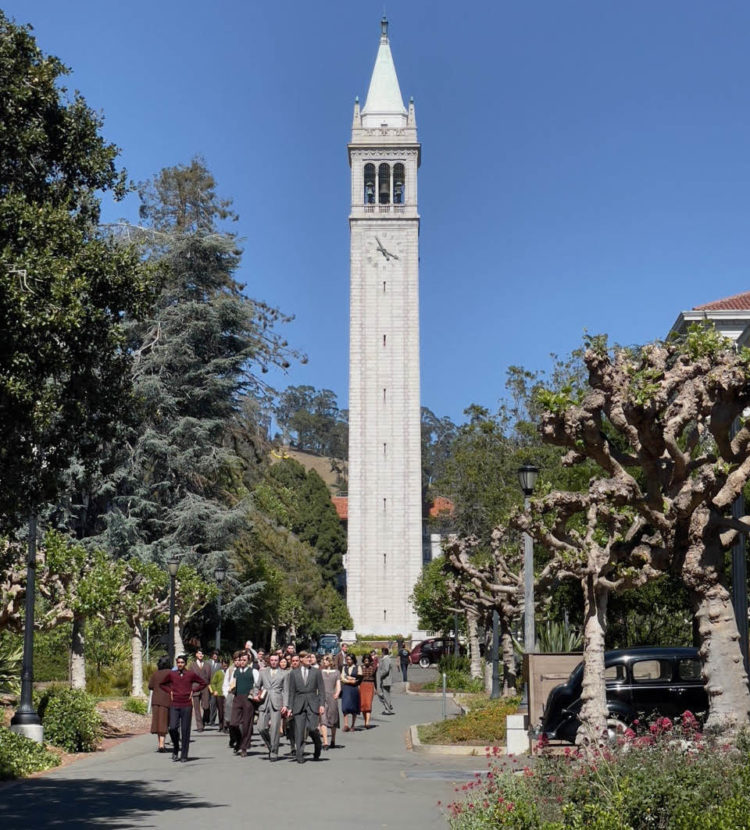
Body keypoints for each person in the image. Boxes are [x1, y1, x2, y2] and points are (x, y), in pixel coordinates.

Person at [160, 654, 208, 762]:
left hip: (186, 705)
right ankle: (176, 747)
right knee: (172, 728)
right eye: (178, 663)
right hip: (175, 704)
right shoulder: (172, 674)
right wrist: (170, 691)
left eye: (182, 662)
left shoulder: (190, 674)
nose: (180, 664)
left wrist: (194, 691)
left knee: (185, 730)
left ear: (185, 663)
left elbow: (203, 683)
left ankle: (184, 755)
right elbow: (162, 684)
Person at [283, 650, 325, 763]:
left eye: (310, 657)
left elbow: (321, 689)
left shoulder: (316, 672)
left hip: (313, 702)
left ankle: (317, 744)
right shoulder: (293, 673)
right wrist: (290, 707)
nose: (310, 659)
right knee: (299, 730)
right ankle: (299, 754)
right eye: (307, 657)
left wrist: (322, 704)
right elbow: (291, 691)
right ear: (301, 659)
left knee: (312, 728)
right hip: (298, 703)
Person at [255, 652, 288, 761]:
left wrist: (285, 705)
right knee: (260, 727)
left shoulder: (284, 673)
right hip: (264, 702)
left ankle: (274, 752)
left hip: (277, 702)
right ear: (269, 661)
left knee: (274, 728)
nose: (274, 662)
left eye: (276, 660)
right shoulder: (263, 672)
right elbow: (257, 686)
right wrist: (256, 695)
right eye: (272, 660)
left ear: (279, 661)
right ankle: (271, 745)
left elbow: (286, 691)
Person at [229, 651, 256, 757]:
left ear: (248, 661)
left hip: (248, 699)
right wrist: (230, 691)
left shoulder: (253, 671)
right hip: (237, 698)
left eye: (244, 660)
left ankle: (244, 747)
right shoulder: (235, 671)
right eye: (240, 660)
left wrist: (253, 694)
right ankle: (239, 741)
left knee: (246, 724)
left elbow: (257, 685)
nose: (242, 662)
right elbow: (231, 684)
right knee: (233, 723)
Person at [148, 656, 172, 752]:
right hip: (166, 700)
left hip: (155, 700)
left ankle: (160, 744)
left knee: (158, 722)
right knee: (164, 722)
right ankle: (161, 745)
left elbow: (150, 686)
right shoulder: (170, 673)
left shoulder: (155, 674)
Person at [319, 654, 341, 749]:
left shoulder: (336, 672)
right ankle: (325, 742)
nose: (325, 661)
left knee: (333, 719)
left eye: (326, 660)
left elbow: (338, 684)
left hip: (332, 696)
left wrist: (337, 693)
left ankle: (333, 739)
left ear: (331, 661)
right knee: (323, 719)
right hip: (322, 697)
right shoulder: (320, 672)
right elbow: (317, 685)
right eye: (324, 660)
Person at [188, 649, 212, 730]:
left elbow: (210, 677)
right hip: (195, 687)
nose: (201, 655)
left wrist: (210, 687)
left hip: (205, 687)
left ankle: (205, 718)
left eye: (202, 653)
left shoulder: (207, 665)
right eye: (199, 653)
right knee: (197, 708)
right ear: (196, 655)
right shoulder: (192, 665)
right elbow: (189, 677)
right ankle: (199, 726)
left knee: (206, 706)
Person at [223, 651, 241, 743]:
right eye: (236, 660)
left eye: (239, 660)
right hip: (231, 694)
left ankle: (239, 738)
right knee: (229, 718)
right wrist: (226, 694)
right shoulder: (230, 669)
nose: (237, 662)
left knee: (238, 718)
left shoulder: (244, 670)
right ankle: (232, 737)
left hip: (240, 695)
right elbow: (225, 683)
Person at [340, 652, 361, 732]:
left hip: (354, 689)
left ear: (353, 659)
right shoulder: (344, 667)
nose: (348, 661)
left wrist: (349, 678)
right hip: (346, 688)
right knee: (345, 706)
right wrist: (351, 680)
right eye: (347, 659)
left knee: (353, 707)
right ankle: (346, 724)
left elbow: (359, 678)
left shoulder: (357, 667)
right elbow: (342, 677)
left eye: (349, 659)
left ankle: (353, 725)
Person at [359, 653, 377, 728]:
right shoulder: (360, 667)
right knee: (363, 705)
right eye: (365, 660)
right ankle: (365, 720)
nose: (366, 661)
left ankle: (367, 722)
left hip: (370, 685)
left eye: (368, 660)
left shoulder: (373, 668)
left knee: (368, 704)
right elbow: (358, 678)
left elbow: (375, 678)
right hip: (362, 685)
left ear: (370, 660)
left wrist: (376, 688)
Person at [210, 658, 227, 731]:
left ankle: (226, 726)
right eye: (224, 665)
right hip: (219, 694)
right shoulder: (218, 673)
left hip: (227, 694)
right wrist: (215, 690)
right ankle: (221, 725)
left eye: (226, 665)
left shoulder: (230, 672)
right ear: (221, 665)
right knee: (220, 710)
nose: (225, 666)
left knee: (227, 711)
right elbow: (213, 683)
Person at [377, 646, 395, 714]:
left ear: (383, 652)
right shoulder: (385, 659)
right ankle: (388, 707)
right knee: (384, 694)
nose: (381, 653)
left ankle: (388, 709)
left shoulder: (386, 659)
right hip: (385, 679)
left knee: (385, 694)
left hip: (386, 680)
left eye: (381, 652)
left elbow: (386, 670)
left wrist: (381, 675)